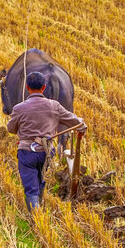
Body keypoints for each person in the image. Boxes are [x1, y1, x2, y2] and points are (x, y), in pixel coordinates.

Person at [7, 71, 87, 212]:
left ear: (27, 87)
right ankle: (39, 209)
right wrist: (82, 126)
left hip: (27, 152)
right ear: (44, 88)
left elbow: (11, 129)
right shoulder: (54, 106)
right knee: (40, 178)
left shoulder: (19, 108)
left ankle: (37, 218)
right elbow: (75, 121)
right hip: (46, 152)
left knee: (31, 188)